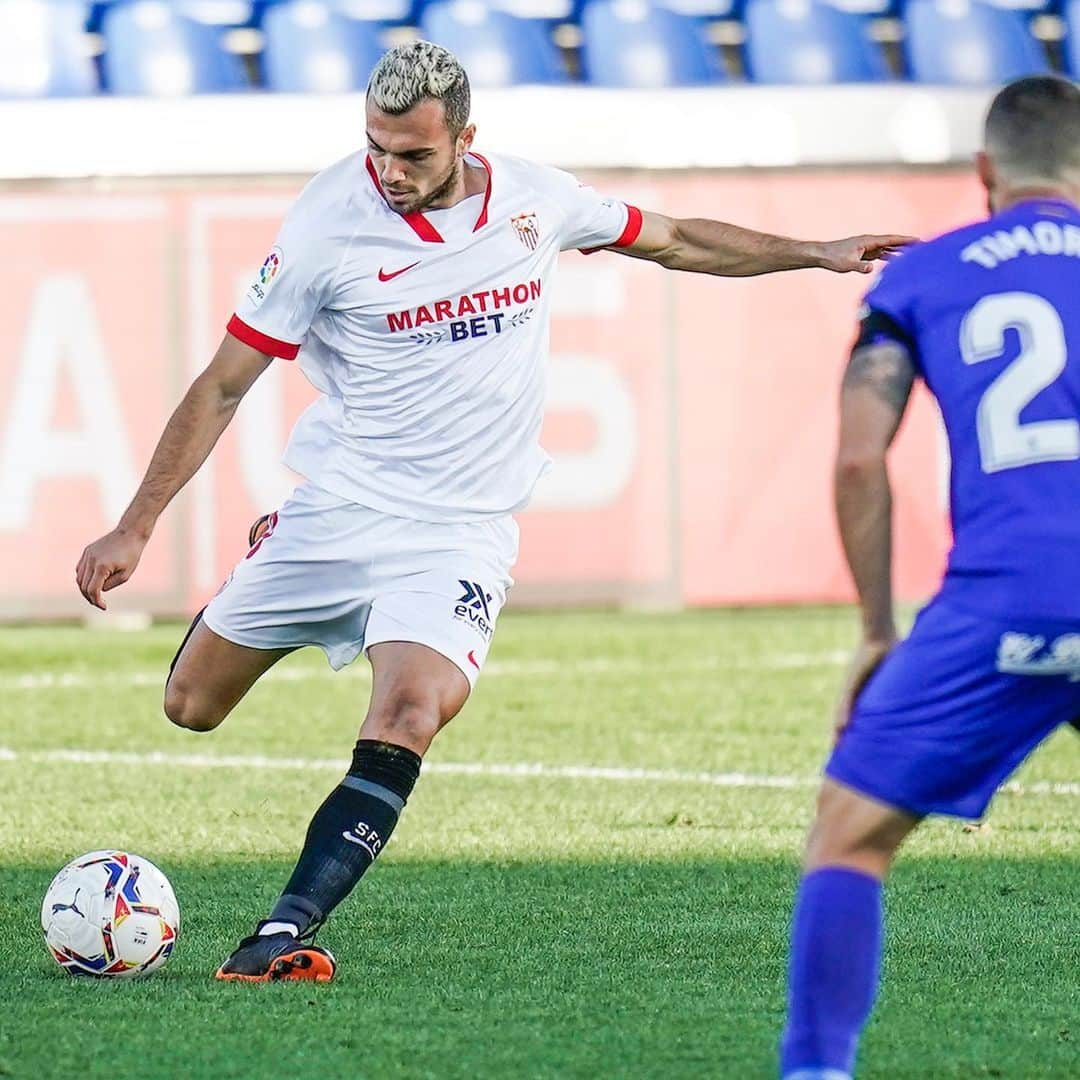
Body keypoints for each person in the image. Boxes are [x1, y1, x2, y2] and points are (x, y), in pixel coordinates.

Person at [76, 41, 910, 984]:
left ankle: (282, 930)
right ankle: (265, 562)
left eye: (415, 155)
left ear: (467, 138)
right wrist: (136, 524)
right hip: (343, 508)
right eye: (376, 149)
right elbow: (225, 384)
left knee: (411, 708)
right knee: (191, 707)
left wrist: (817, 252)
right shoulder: (324, 228)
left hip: (462, 529)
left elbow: (672, 238)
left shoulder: (532, 198)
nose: (390, 172)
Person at [779, 75, 1080, 1079]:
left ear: (987, 173)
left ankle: (817, 1070)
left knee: (850, 836)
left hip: (1009, 595)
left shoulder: (926, 276)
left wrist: (876, 630)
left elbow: (861, 460)